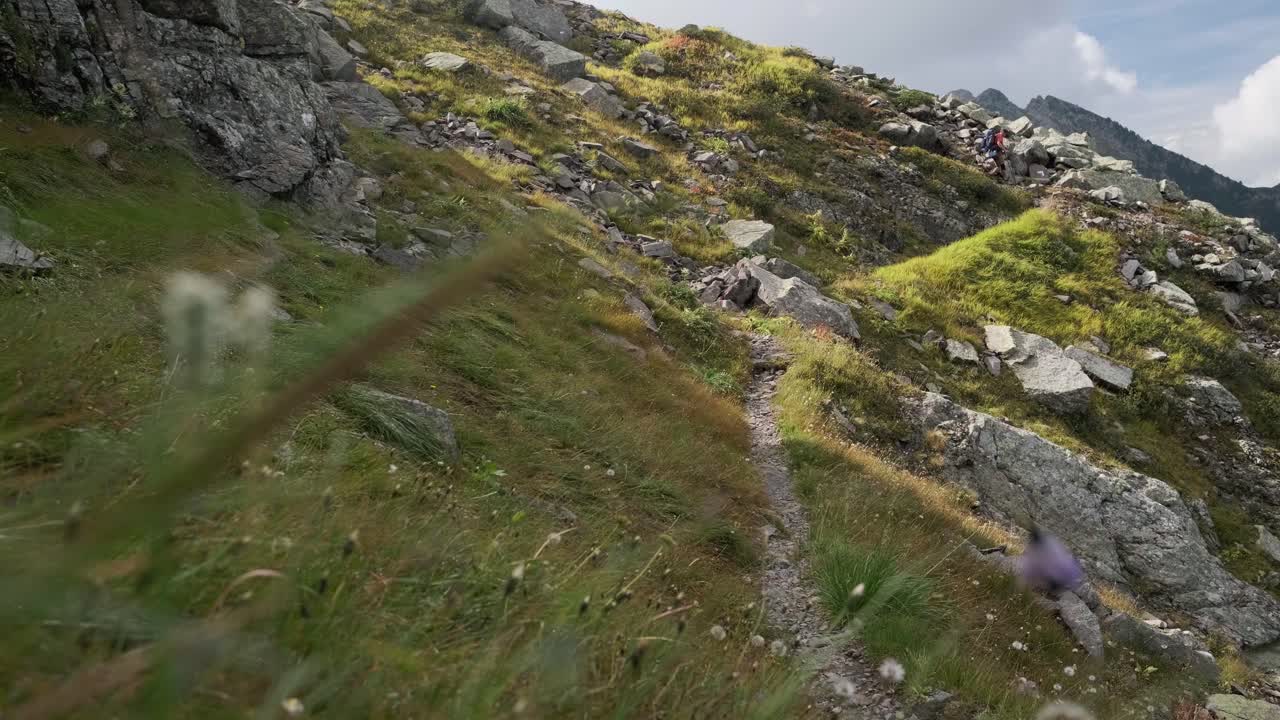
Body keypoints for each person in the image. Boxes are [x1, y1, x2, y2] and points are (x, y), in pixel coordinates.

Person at [1017, 526, 1084, 597]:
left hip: (1056, 581)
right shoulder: (1051, 543)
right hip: (1060, 579)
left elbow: (1030, 570)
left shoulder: (1038, 551)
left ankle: (1051, 591)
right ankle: (1052, 591)